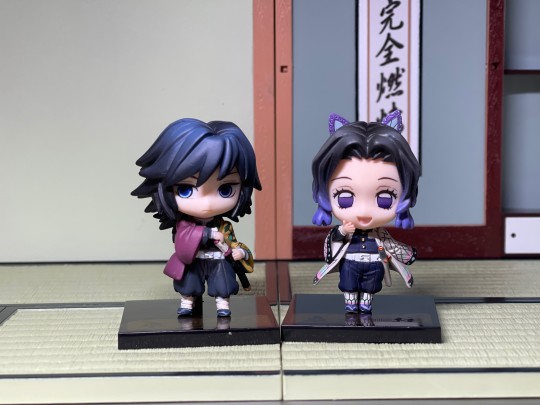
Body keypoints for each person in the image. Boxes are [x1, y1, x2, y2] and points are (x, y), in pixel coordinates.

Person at [132, 118, 261, 317]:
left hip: (218, 259)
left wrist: (241, 253)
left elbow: (234, 244)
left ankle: (222, 305)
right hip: (193, 260)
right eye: (186, 190)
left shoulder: (224, 227)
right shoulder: (184, 225)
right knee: (189, 282)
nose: (207, 204)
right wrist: (207, 234)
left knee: (223, 282)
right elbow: (182, 245)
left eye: (225, 189)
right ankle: (187, 302)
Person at [311, 111, 420, 313]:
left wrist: (407, 255)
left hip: (374, 263)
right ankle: (351, 303)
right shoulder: (346, 230)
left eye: (385, 198)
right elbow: (333, 244)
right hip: (350, 261)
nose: (363, 211)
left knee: (370, 286)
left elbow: (392, 246)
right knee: (349, 284)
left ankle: (366, 302)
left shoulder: (380, 235)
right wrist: (343, 231)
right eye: (344, 197)